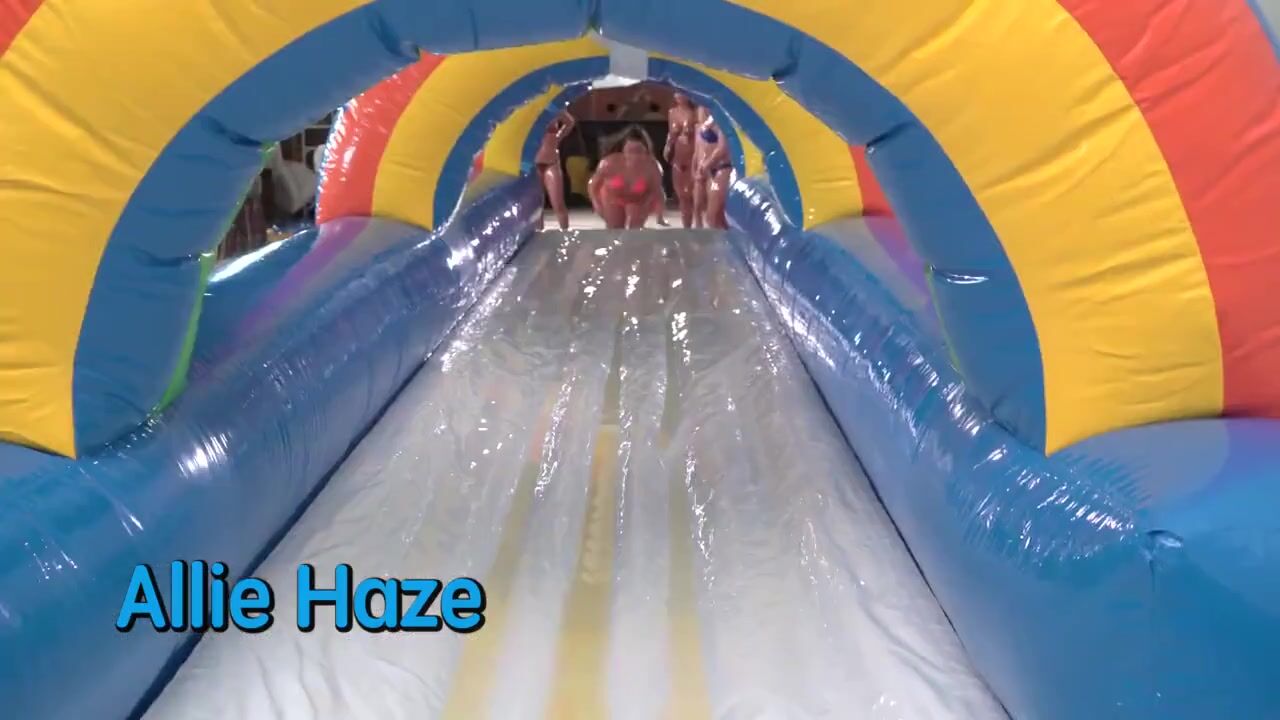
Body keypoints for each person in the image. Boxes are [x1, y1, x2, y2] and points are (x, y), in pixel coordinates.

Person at [588, 127, 665, 230]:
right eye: (630, 151)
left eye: (638, 151)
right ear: (623, 150)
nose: (634, 156)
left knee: (635, 230)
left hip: (639, 200)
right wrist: (597, 205)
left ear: (646, 152)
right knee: (615, 229)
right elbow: (593, 185)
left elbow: (657, 192)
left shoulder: (653, 167)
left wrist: (660, 216)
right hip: (612, 198)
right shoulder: (609, 164)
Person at [534, 110, 576, 230]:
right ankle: (539, 235)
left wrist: (559, 137)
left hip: (551, 161)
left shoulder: (553, 107)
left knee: (558, 203)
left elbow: (570, 122)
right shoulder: (528, 109)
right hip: (533, 162)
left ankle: (565, 233)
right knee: (537, 206)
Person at [663, 93, 698, 228]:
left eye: (682, 93)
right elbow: (670, 133)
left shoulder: (696, 112)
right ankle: (686, 226)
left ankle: (698, 223)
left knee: (693, 193)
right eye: (676, 93)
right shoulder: (672, 112)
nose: (679, 96)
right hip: (678, 153)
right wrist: (667, 146)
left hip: (693, 153)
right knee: (681, 194)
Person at [693, 109, 732, 230]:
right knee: (715, 216)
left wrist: (706, 164)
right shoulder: (707, 121)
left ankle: (725, 240)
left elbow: (722, 148)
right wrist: (697, 166)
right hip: (711, 171)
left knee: (713, 215)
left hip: (722, 170)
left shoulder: (723, 120)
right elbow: (699, 147)